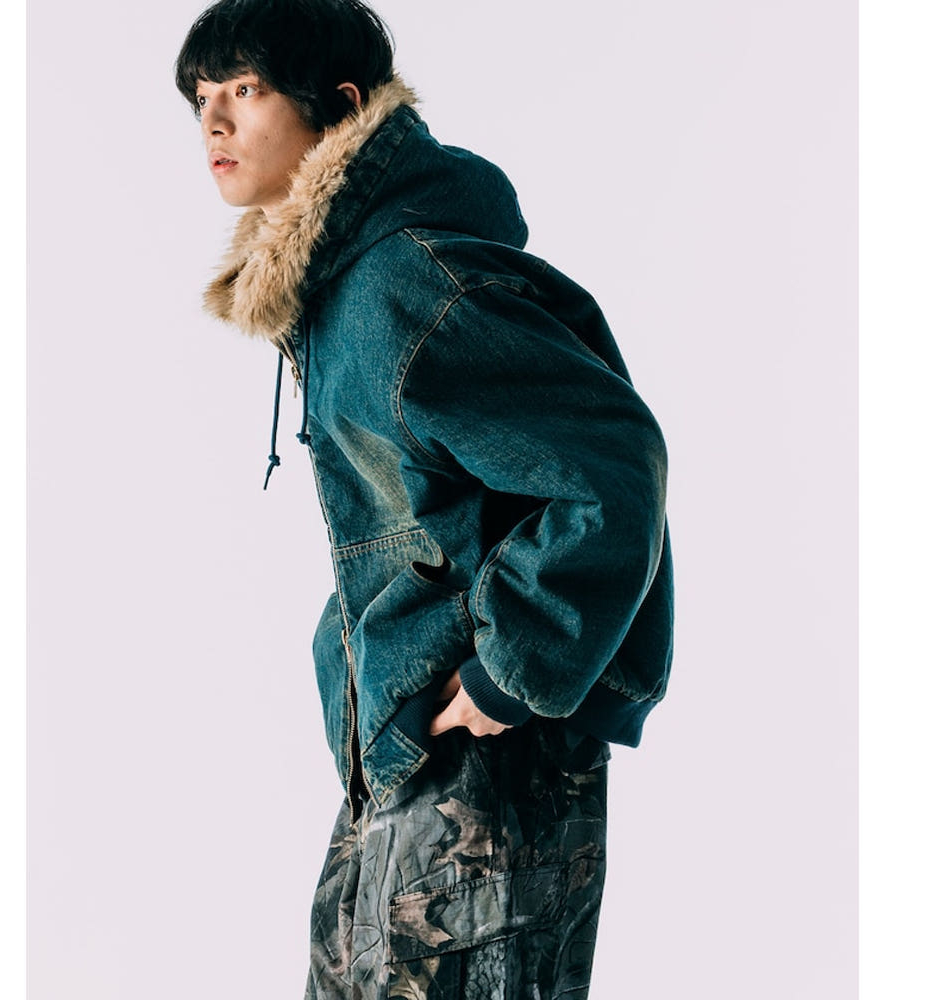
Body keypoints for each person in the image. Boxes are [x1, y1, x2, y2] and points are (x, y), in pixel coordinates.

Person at [175, 1, 674, 996]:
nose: (213, 123)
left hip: (488, 767)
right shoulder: (345, 291)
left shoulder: (406, 284)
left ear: (338, 105)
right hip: (405, 751)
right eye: (200, 99)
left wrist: (507, 674)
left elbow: (613, 464)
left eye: (245, 89)